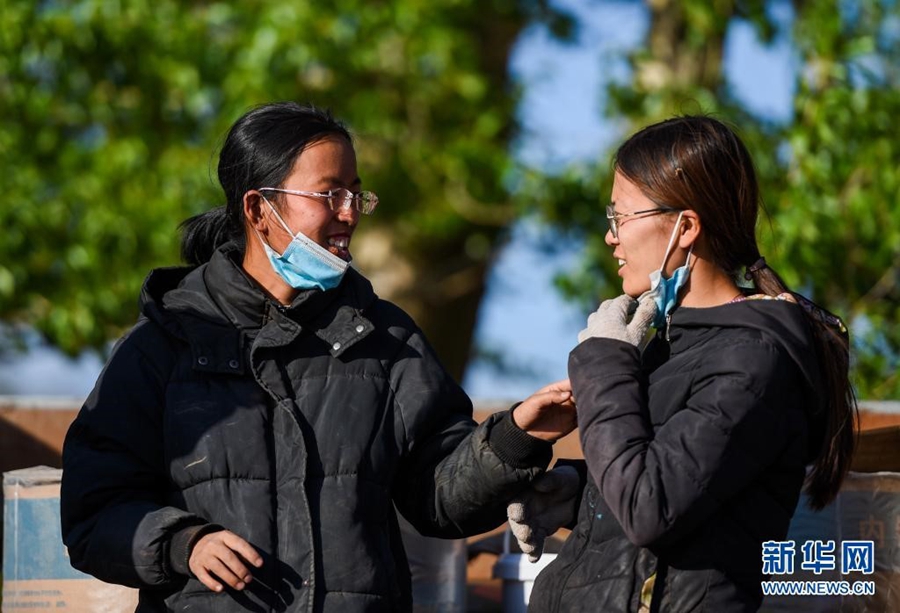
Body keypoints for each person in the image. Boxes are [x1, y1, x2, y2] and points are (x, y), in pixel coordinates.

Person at [60, 101, 577, 612]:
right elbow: (94, 513)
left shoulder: (388, 340)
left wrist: (515, 438)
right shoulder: (162, 346)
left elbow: (439, 501)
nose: (349, 212)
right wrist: (183, 543)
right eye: (330, 194)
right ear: (258, 209)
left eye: (355, 193)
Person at [507, 115, 855, 612]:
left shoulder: (755, 358)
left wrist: (604, 360)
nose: (610, 237)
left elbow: (649, 507)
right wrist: (583, 495)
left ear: (686, 227)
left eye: (620, 217)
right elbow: (683, 479)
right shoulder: (674, 343)